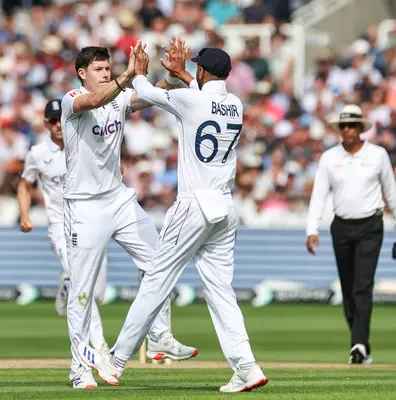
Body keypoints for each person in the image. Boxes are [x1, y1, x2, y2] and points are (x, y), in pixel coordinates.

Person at [76, 42, 269, 393]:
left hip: (194, 205)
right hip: (225, 209)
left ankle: (116, 360)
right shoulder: (235, 105)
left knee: (155, 281)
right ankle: (247, 367)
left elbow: (144, 90)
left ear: (201, 72)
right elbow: (204, 97)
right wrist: (182, 74)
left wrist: (142, 69)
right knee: (221, 292)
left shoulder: (190, 99)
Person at [61, 42, 197, 389]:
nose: (105, 74)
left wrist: (164, 78)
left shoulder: (119, 95)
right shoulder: (72, 99)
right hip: (84, 205)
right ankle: (80, 368)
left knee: (160, 262)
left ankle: (159, 337)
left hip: (118, 198)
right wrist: (128, 76)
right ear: (82, 73)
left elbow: (142, 98)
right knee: (82, 291)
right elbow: (95, 101)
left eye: (108, 68)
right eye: (98, 69)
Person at [305, 104, 396, 364]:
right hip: (341, 226)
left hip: (370, 226)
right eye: (343, 125)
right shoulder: (330, 157)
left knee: (362, 287)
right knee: (347, 289)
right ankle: (362, 344)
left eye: (352, 125)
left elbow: (392, 193)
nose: (347, 129)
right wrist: (311, 229)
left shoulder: (377, 155)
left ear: (361, 128)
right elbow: (319, 195)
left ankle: (357, 346)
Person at [16, 99, 109, 388]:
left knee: (99, 293)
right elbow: (24, 184)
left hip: (91, 224)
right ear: (46, 124)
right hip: (60, 228)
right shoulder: (38, 154)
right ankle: (100, 351)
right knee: (86, 291)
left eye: (61, 119)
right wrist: (24, 215)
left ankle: (65, 285)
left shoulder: (86, 143)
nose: (58, 125)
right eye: (53, 121)